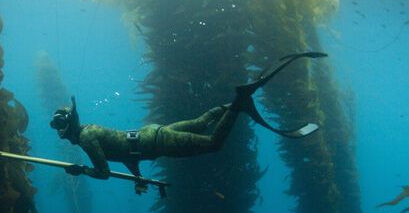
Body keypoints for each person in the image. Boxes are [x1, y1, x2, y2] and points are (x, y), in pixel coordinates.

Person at [50, 52, 326, 189]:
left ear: (70, 131)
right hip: (152, 134)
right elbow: (122, 150)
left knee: (213, 143)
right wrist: (137, 177)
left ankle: (240, 102)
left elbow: (104, 172)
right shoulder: (91, 129)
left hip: (159, 143)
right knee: (203, 120)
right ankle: (235, 105)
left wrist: (80, 171)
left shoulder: (85, 139)